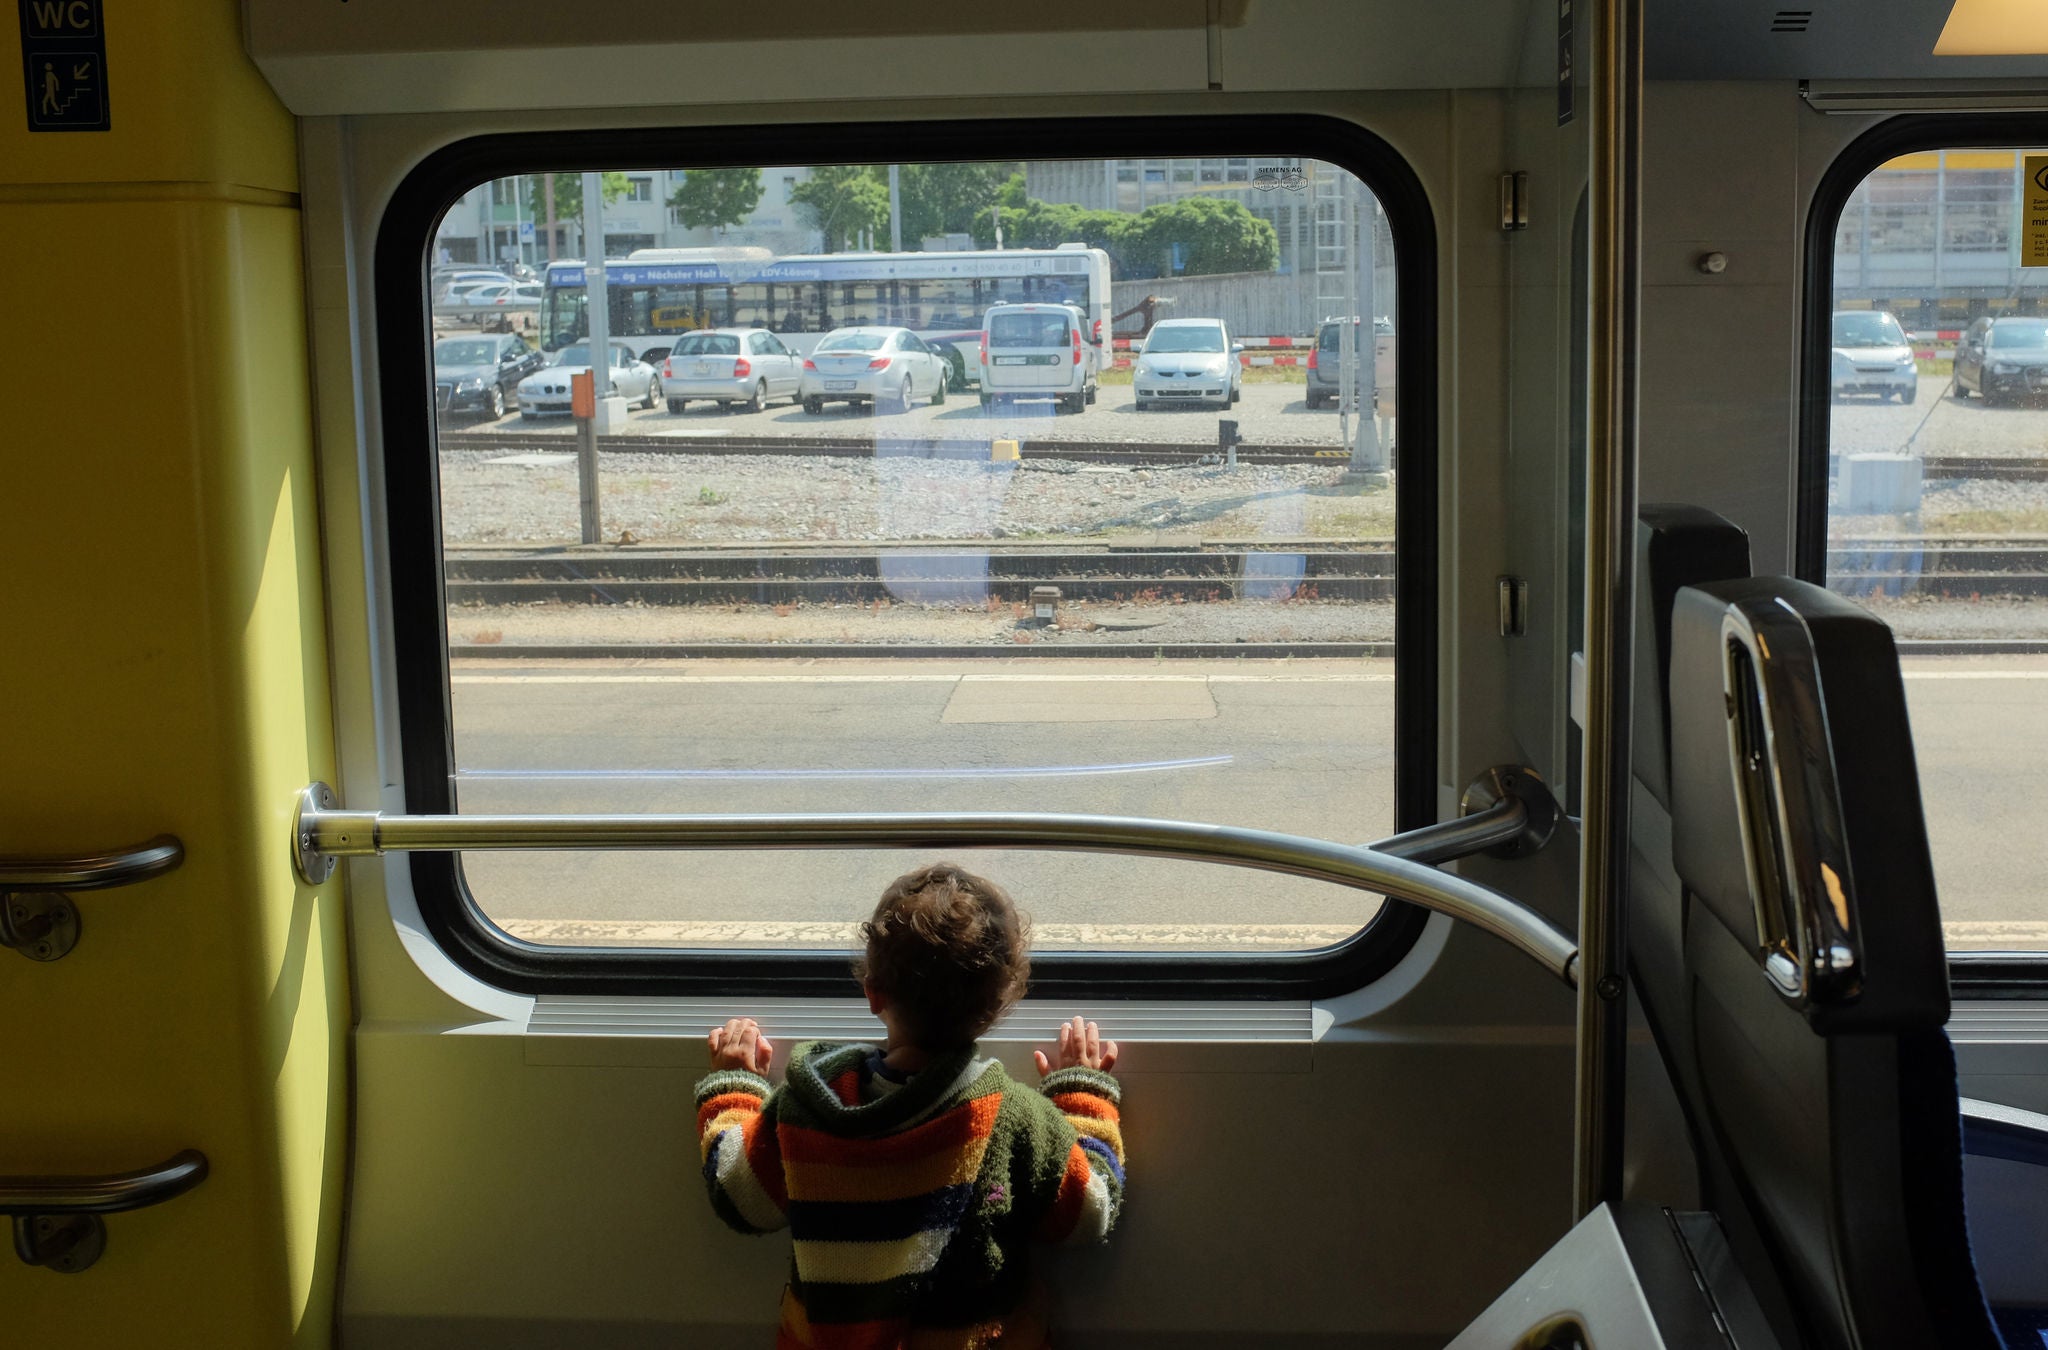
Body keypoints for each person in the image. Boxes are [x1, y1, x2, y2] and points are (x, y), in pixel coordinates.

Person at [694, 863, 1126, 1349]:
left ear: (872, 992)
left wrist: (735, 1086)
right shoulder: (1014, 1117)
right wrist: (1082, 1092)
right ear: (998, 1007)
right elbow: (1089, 1214)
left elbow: (740, 1198)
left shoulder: (805, 1111)